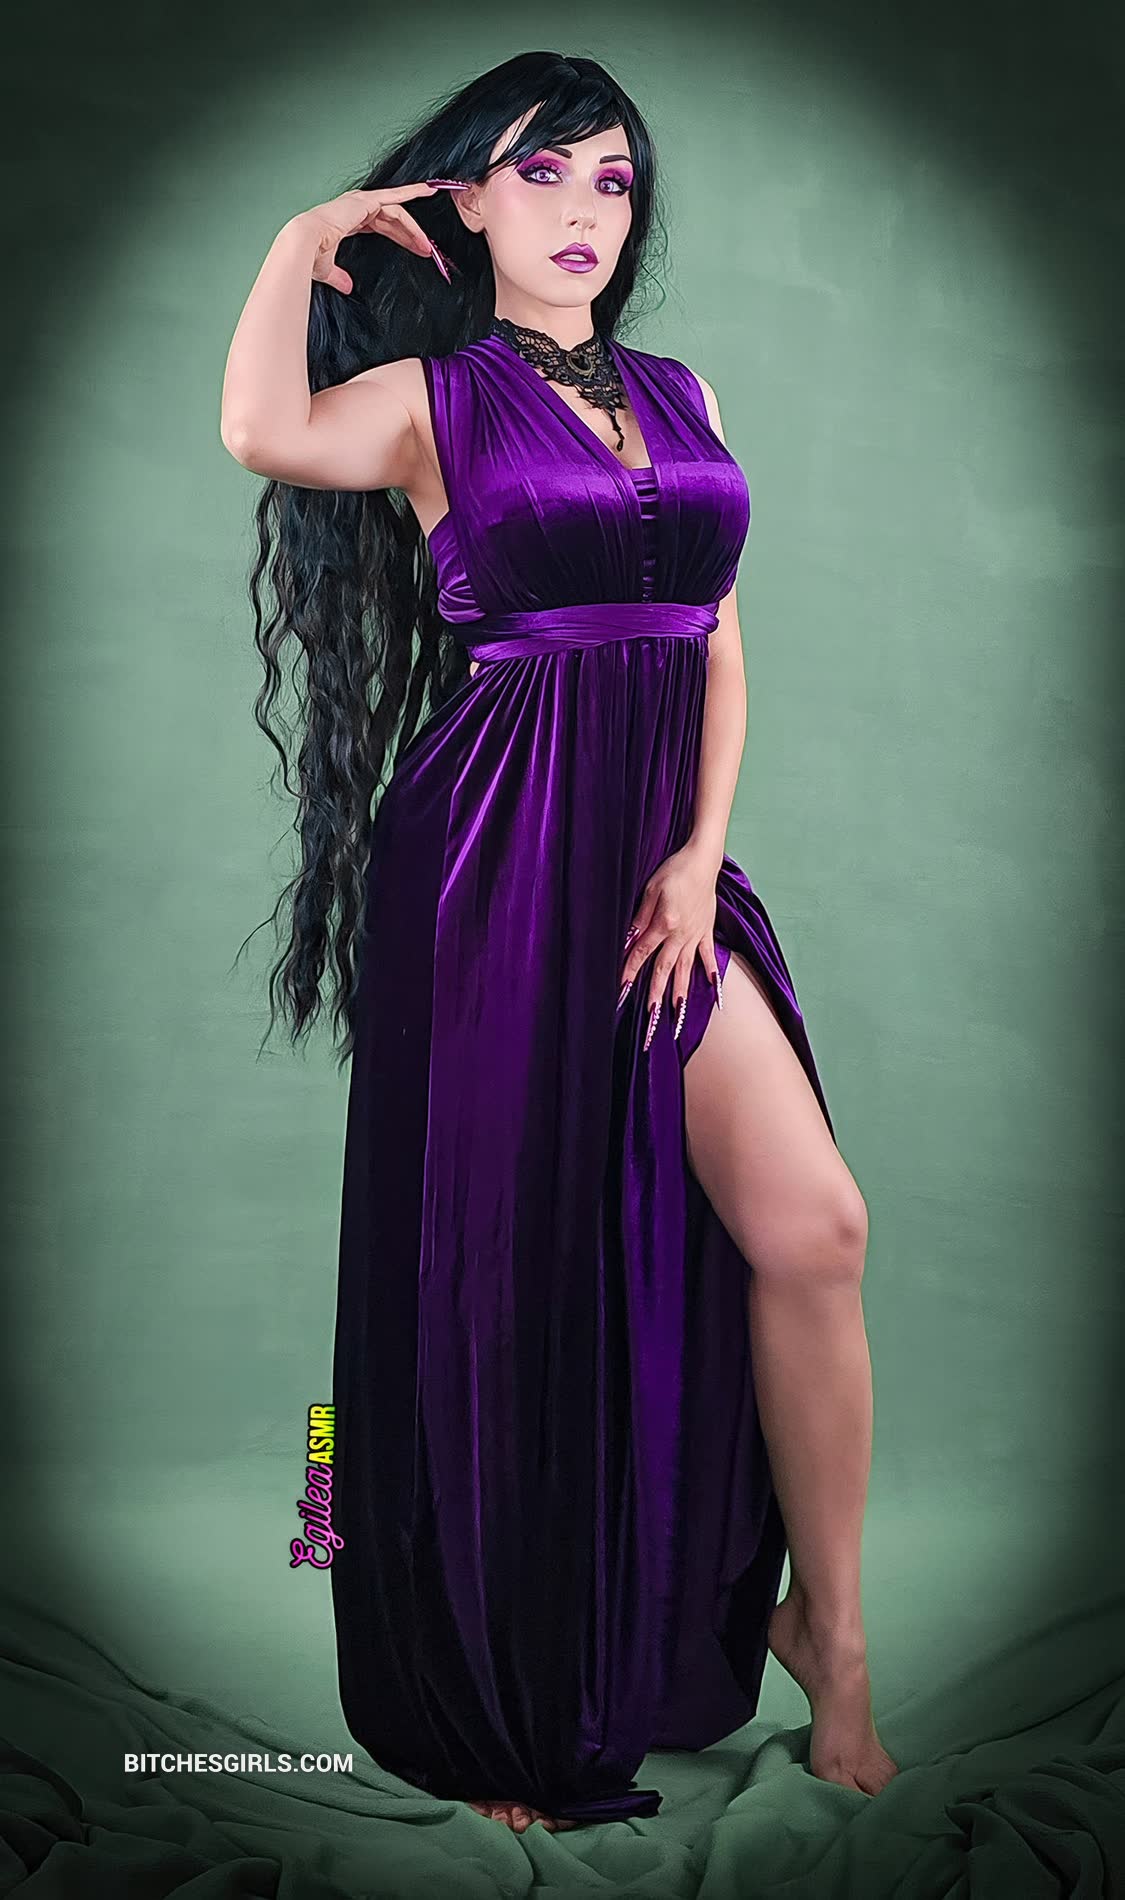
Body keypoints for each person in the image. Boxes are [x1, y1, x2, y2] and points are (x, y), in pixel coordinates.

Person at [220, 48, 899, 1835]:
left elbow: (715, 636)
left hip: (660, 878)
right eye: (541, 174)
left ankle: (827, 1640)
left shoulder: (682, 390)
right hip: (495, 872)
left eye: (611, 177)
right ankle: (491, 1696)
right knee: (506, 1276)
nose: (587, 208)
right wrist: (298, 241)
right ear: (463, 203)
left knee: (811, 1228)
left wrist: (698, 860)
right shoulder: (427, 401)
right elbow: (263, 432)